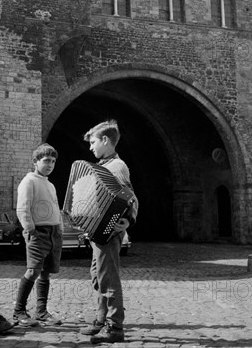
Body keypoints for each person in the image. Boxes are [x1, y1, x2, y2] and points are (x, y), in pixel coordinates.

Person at [80, 120, 138, 344]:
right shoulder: (104, 165)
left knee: (108, 277)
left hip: (108, 231)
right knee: (97, 276)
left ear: (106, 140)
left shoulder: (117, 166)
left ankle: (115, 326)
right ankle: (101, 317)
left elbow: (130, 196)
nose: (90, 147)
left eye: (93, 142)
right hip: (97, 231)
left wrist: (127, 220)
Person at [14, 143, 63, 327]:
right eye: (46, 161)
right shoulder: (29, 181)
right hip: (38, 232)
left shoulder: (50, 184)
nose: (50, 165)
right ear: (35, 161)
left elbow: (55, 207)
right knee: (33, 270)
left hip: (53, 233)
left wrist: (59, 228)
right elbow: (23, 208)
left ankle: (41, 311)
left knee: (46, 273)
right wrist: (30, 229)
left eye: (53, 161)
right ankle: (19, 311)